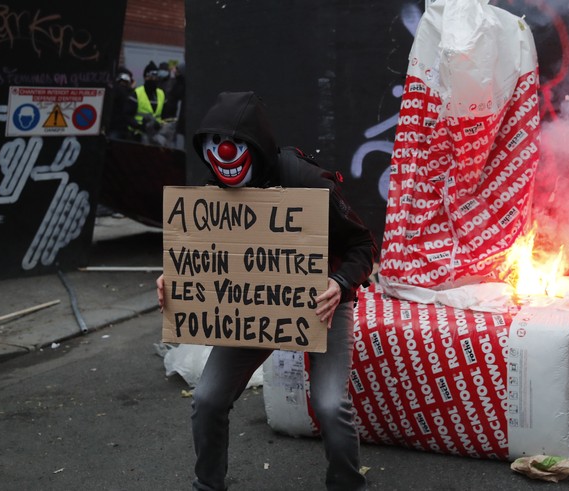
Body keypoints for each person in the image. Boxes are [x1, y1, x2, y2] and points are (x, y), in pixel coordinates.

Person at [155, 91, 376, 491]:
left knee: (329, 404)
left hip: (320, 304)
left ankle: (347, 485)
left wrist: (339, 283)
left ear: (255, 146)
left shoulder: (309, 183)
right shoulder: (214, 190)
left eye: (236, 145)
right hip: (252, 308)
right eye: (212, 146)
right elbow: (202, 254)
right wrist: (176, 281)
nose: (222, 154)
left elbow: (363, 245)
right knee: (207, 398)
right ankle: (207, 486)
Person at [132, 62, 166, 139]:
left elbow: (165, 114)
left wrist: (160, 125)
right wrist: (139, 126)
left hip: (156, 134)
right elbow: (127, 115)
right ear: (145, 78)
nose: (154, 80)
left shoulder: (161, 94)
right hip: (137, 134)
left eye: (156, 77)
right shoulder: (137, 93)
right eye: (151, 77)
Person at [107, 66, 138, 141]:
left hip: (119, 126)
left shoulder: (113, 89)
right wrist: (131, 89)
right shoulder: (122, 91)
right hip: (117, 127)